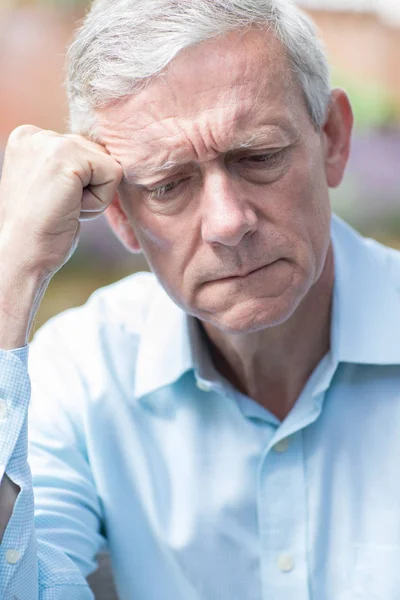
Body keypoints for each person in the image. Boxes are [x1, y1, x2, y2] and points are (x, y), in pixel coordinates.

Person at [0, 0, 399, 598]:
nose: (228, 222)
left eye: (259, 157)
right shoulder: (82, 376)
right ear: (121, 216)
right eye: (168, 185)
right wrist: (11, 273)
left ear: (333, 140)